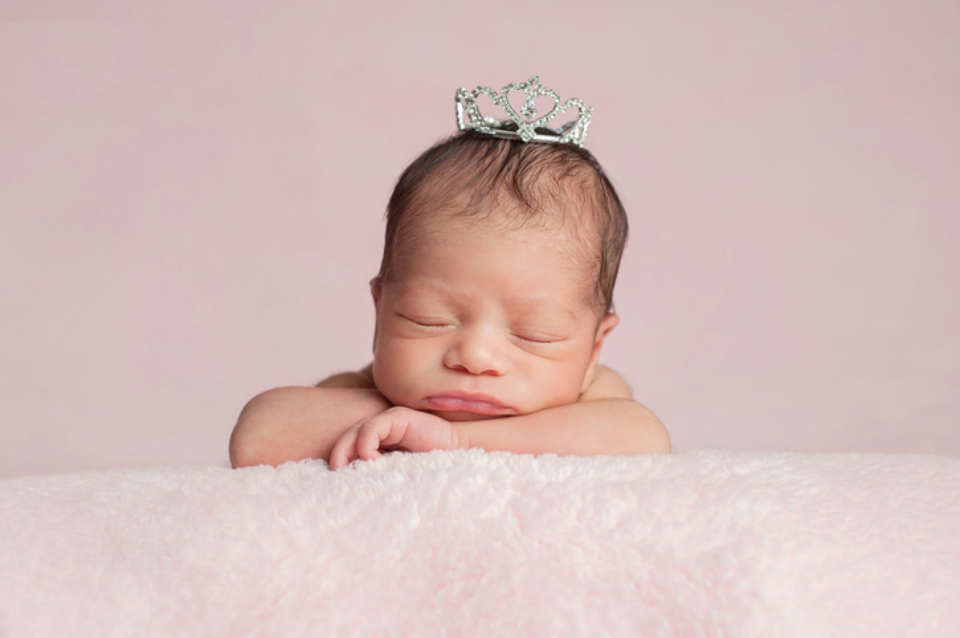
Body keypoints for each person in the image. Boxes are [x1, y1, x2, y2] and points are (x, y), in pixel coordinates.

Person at [229, 76, 670, 471]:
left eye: (535, 334)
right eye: (428, 320)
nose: (474, 357)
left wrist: (454, 438)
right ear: (380, 311)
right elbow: (257, 436)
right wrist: (390, 415)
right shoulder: (367, 394)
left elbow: (645, 439)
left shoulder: (591, 398)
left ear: (593, 350)